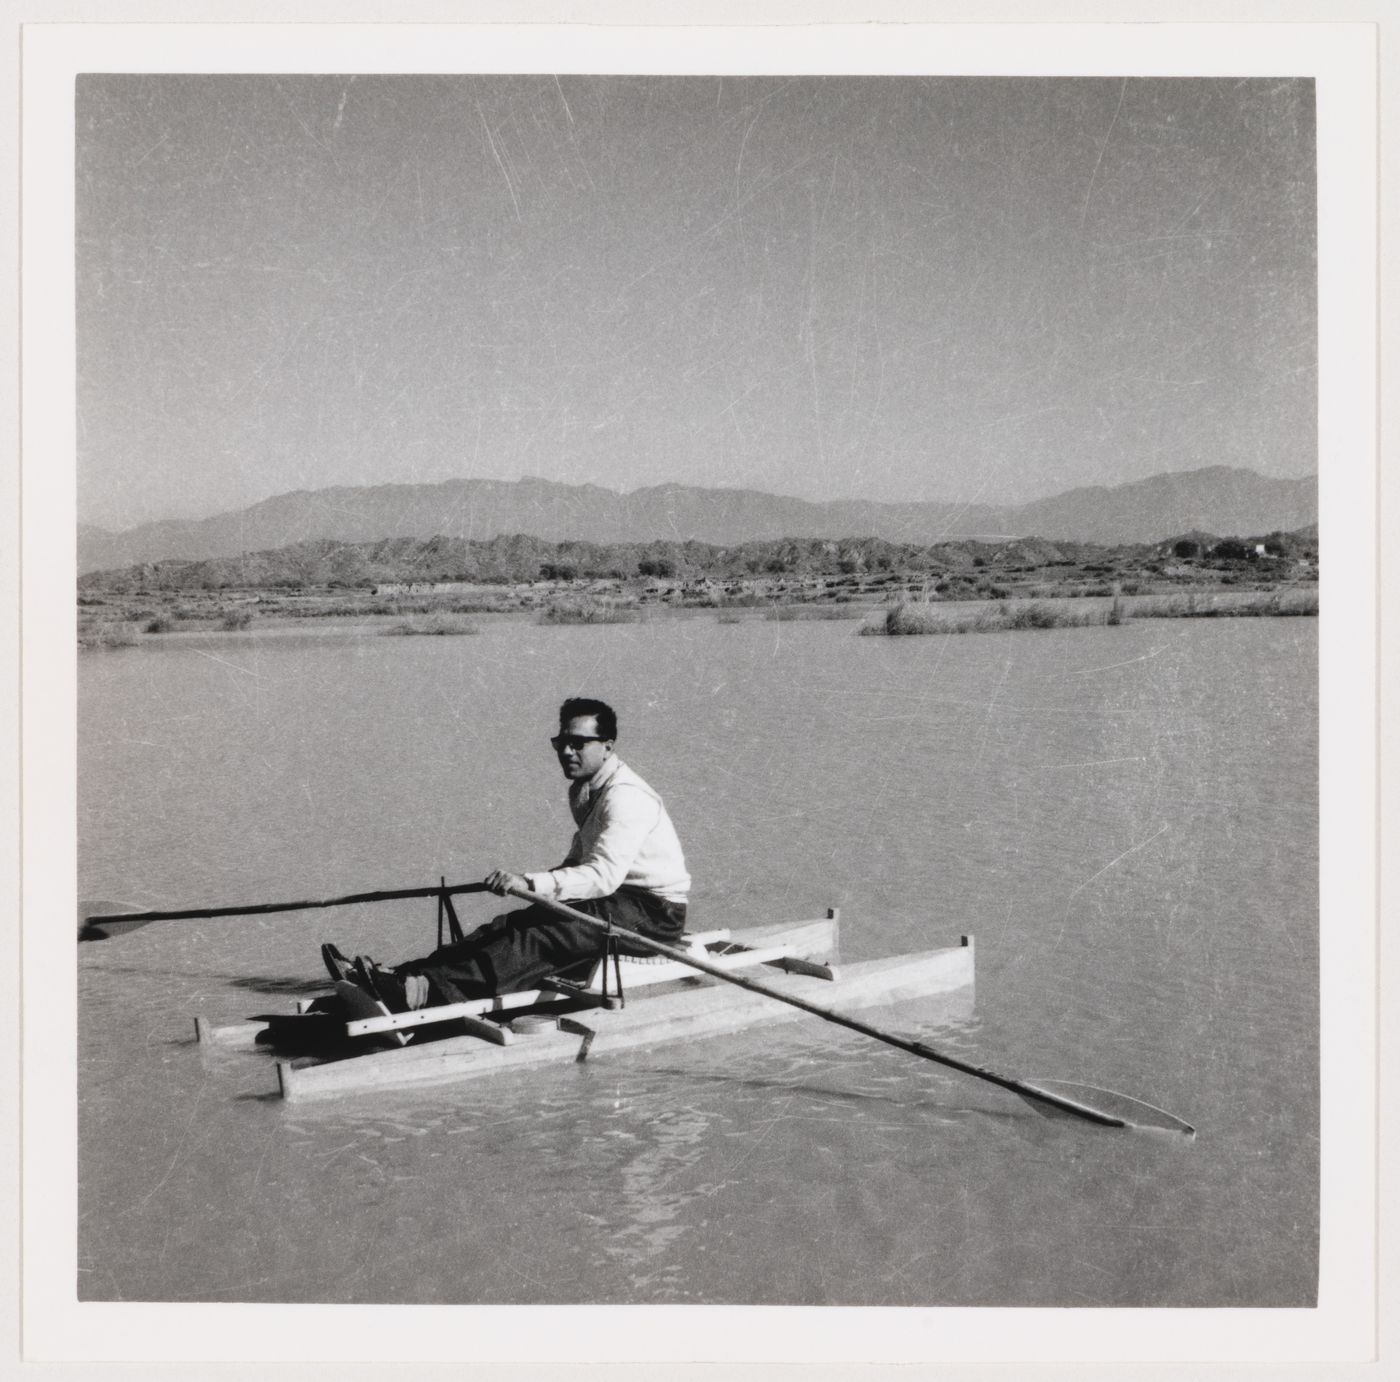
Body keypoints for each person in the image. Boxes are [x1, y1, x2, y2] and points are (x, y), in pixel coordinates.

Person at [323, 697, 690, 1012]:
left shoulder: (626, 797)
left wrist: (530, 881)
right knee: (508, 926)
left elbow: (601, 876)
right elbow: (578, 863)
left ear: (607, 746)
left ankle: (423, 994)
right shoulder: (585, 790)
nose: (566, 751)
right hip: (616, 900)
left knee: (541, 936)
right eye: (561, 742)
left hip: (654, 913)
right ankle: (400, 978)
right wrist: (533, 891)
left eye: (578, 743)